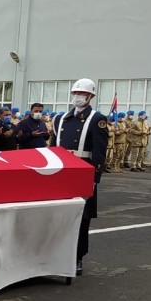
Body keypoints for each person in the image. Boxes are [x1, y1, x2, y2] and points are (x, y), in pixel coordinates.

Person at [50, 78, 108, 276]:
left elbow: (99, 152)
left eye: (82, 94)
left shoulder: (96, 119)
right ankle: (55, 255)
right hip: (61, 172)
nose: (78, 97)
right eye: (75, 93)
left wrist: (94, 178)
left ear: (90, 96)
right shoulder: (60, 119)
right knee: (57, 216)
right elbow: (52, 148)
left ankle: (77, 257)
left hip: (83, 173)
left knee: (81, 218)